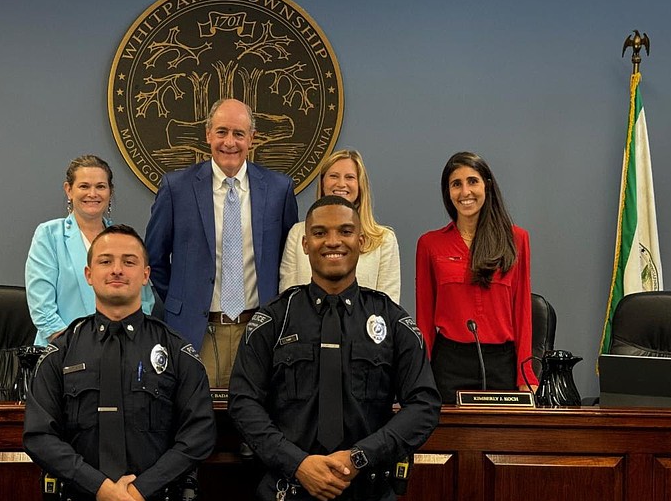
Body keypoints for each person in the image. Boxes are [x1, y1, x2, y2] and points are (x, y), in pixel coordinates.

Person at [229, 196, 440, 501]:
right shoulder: (272, 322)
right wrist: (297, 464)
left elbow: (424, 405)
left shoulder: (391, 321)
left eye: (345, 231)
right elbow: (243, 403)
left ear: (361, 240)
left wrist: (360, 458)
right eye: (320, 232)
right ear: (305, 243)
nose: (333, 241)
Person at [23, 224, 216, 501]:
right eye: (105, 261)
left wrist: (139, 490)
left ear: (145, 275)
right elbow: (40, 436)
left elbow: (198, 434)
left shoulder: (177, 351)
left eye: (128, 262)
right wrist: (101, 488)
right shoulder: (60, 353)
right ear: (88, 273)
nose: (116, 269)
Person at [145, 98, 298, 388]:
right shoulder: (176, 188)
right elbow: (153, 258)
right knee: (197, 424)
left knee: (255, 422)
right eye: (222, 132)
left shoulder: (279, 190)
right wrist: (183, 300)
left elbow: (287, 260)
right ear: (207, 135)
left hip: (258, 331)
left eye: (239, 134)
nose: (230, 142)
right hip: (196, 332)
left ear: (252, 138)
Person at [415, 151, 537, 404]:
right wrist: (419, 376)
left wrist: (526, 376)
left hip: (501, 364)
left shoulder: (517, 240)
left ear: (487, 186)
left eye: (472, 181)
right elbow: (424, 318)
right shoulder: (430, 244)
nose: (465, 192)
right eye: (456, 184)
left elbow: (522, 311)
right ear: (447, 192)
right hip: (449, 364)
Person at [25, 155, 158, 346]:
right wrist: (78, 347)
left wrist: (127, 343)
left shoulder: (125, 239)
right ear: (69, 190)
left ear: (110, 192)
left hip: (120, 349)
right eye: (84, 186)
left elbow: (144, 301)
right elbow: (42, 308)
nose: (93, 193)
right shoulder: (49, 235)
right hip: (62, 350)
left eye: (101, 187)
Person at [279, 149, 401, 302]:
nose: (341, 184)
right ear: (323, 183)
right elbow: (288, 298)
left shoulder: (384, 240)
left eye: (349, 177)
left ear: (360, 184)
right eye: (334, 176)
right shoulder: (298, 234)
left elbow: (388, 305)